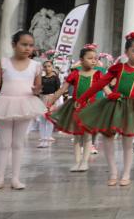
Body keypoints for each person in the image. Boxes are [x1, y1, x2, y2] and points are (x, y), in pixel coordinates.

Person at [75, 33, 134, 186]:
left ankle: (126, 173)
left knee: (127, 141)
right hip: (114, 105)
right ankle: (113, 172)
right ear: (126, 52)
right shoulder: (118, 68)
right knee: (108, 137)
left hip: (132, 107)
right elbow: (100, 84)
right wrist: (82, 98)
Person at [0, 31, 47, 191]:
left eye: (30, 45)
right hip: (5, 102)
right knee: (4, 143)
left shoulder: (36, 65)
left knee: (18, 143)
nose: (27, 48)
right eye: (23, 44)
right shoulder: (4, 62)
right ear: (14, 44)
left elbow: (37, 88)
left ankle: (15, 178)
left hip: (26, 103)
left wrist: (37, 90)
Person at [45, 44, 106, 172]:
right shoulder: (75, 74)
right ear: (81, 59)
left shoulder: (98, 74)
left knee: (88, 135)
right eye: (90, 58)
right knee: (77, 136)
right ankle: (77, 161)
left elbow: (107, 89)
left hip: (91, 108)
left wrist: (114, 98)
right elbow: (62, 90)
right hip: (76, 107)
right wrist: (51, 101)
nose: (94, 60)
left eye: (95, 58)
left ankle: (85, 162)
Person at [36, 60, 60, 148]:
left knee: (49, 120)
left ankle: (47, 139)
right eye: (45, 66)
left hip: (51, 99)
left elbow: (58, 90)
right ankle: (42, 139)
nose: (47, 68)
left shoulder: (55, 78)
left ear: (52, 67)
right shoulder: (42, 78)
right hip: (42, 99)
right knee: (42, 120)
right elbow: (38, 89)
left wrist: (54, 101)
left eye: (49, 66)